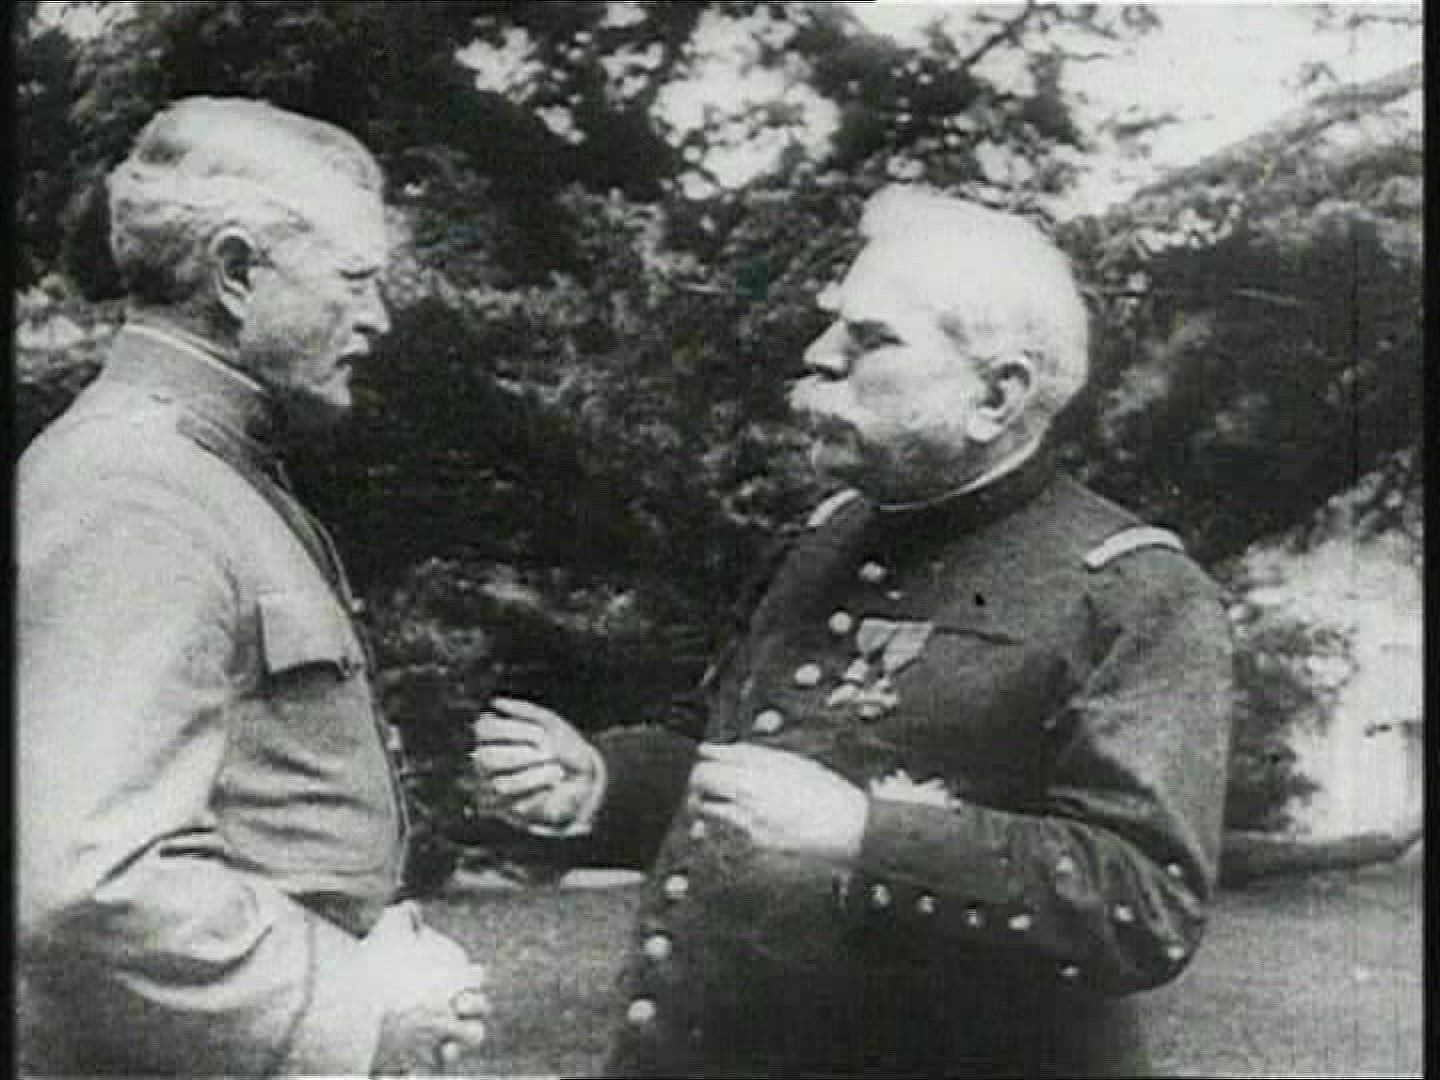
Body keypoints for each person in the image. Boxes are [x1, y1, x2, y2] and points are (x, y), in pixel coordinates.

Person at [472, 185, 1235, 1077]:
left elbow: (1145, 905)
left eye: (870, 339)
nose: (819, 355)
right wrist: (605, 783)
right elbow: (740, 764)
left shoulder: (1132, 591)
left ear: (997, 394)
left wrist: (867, 833)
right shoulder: (827, 537)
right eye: (833, 326)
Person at [18, 97, 490, 1077]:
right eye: (355, 280)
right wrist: (356, 1010)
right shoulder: (132, 493)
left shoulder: (202, 473)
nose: (379, 317)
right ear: (236, 273)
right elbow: (93, 883)